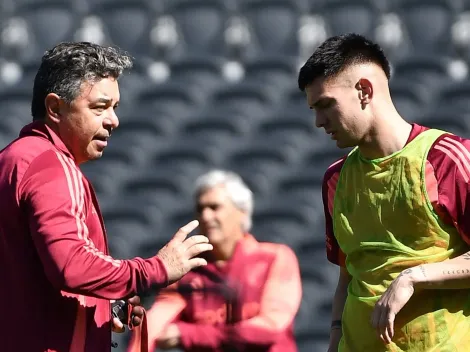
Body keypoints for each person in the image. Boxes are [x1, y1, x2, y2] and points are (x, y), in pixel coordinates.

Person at [0, 42, 213, 352]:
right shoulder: (51, 164)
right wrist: (157, 269)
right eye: (99, 107)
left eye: (114, 107)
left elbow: (28, 278)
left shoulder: (12, 160)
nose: (114, 120)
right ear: (55, 107)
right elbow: (70, 264)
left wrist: (103, 304)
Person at [297, 32, 470, 351]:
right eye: (314, 110)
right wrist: (334, 341)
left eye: (325, 105)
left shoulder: (445, 159)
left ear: (364, 90)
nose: (319, 121)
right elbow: (347, 278)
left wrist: (415, 276)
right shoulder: (335, 178)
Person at [127, 169, 302, 352]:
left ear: (242, 212)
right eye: (200, 209)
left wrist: (190, 334)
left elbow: (270, 328)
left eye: (214, 207)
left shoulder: (274, 258)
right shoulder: (187, 269)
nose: (206, 216)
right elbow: (156, 323)